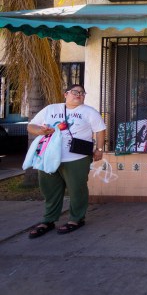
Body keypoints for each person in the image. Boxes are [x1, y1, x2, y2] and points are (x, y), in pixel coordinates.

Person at [27, 84, 106, 238]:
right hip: (49, 157)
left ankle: (76, 218)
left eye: (82, 93)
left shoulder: (89, 112)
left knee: (77, 189)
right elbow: (31, 126)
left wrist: (99, 150)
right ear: (65, 94)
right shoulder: (51, 109)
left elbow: (100, 130)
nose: (79, 95)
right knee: (49, 189)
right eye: (75, 92)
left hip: (76, 157)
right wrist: (41, 131)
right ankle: (48, 219)